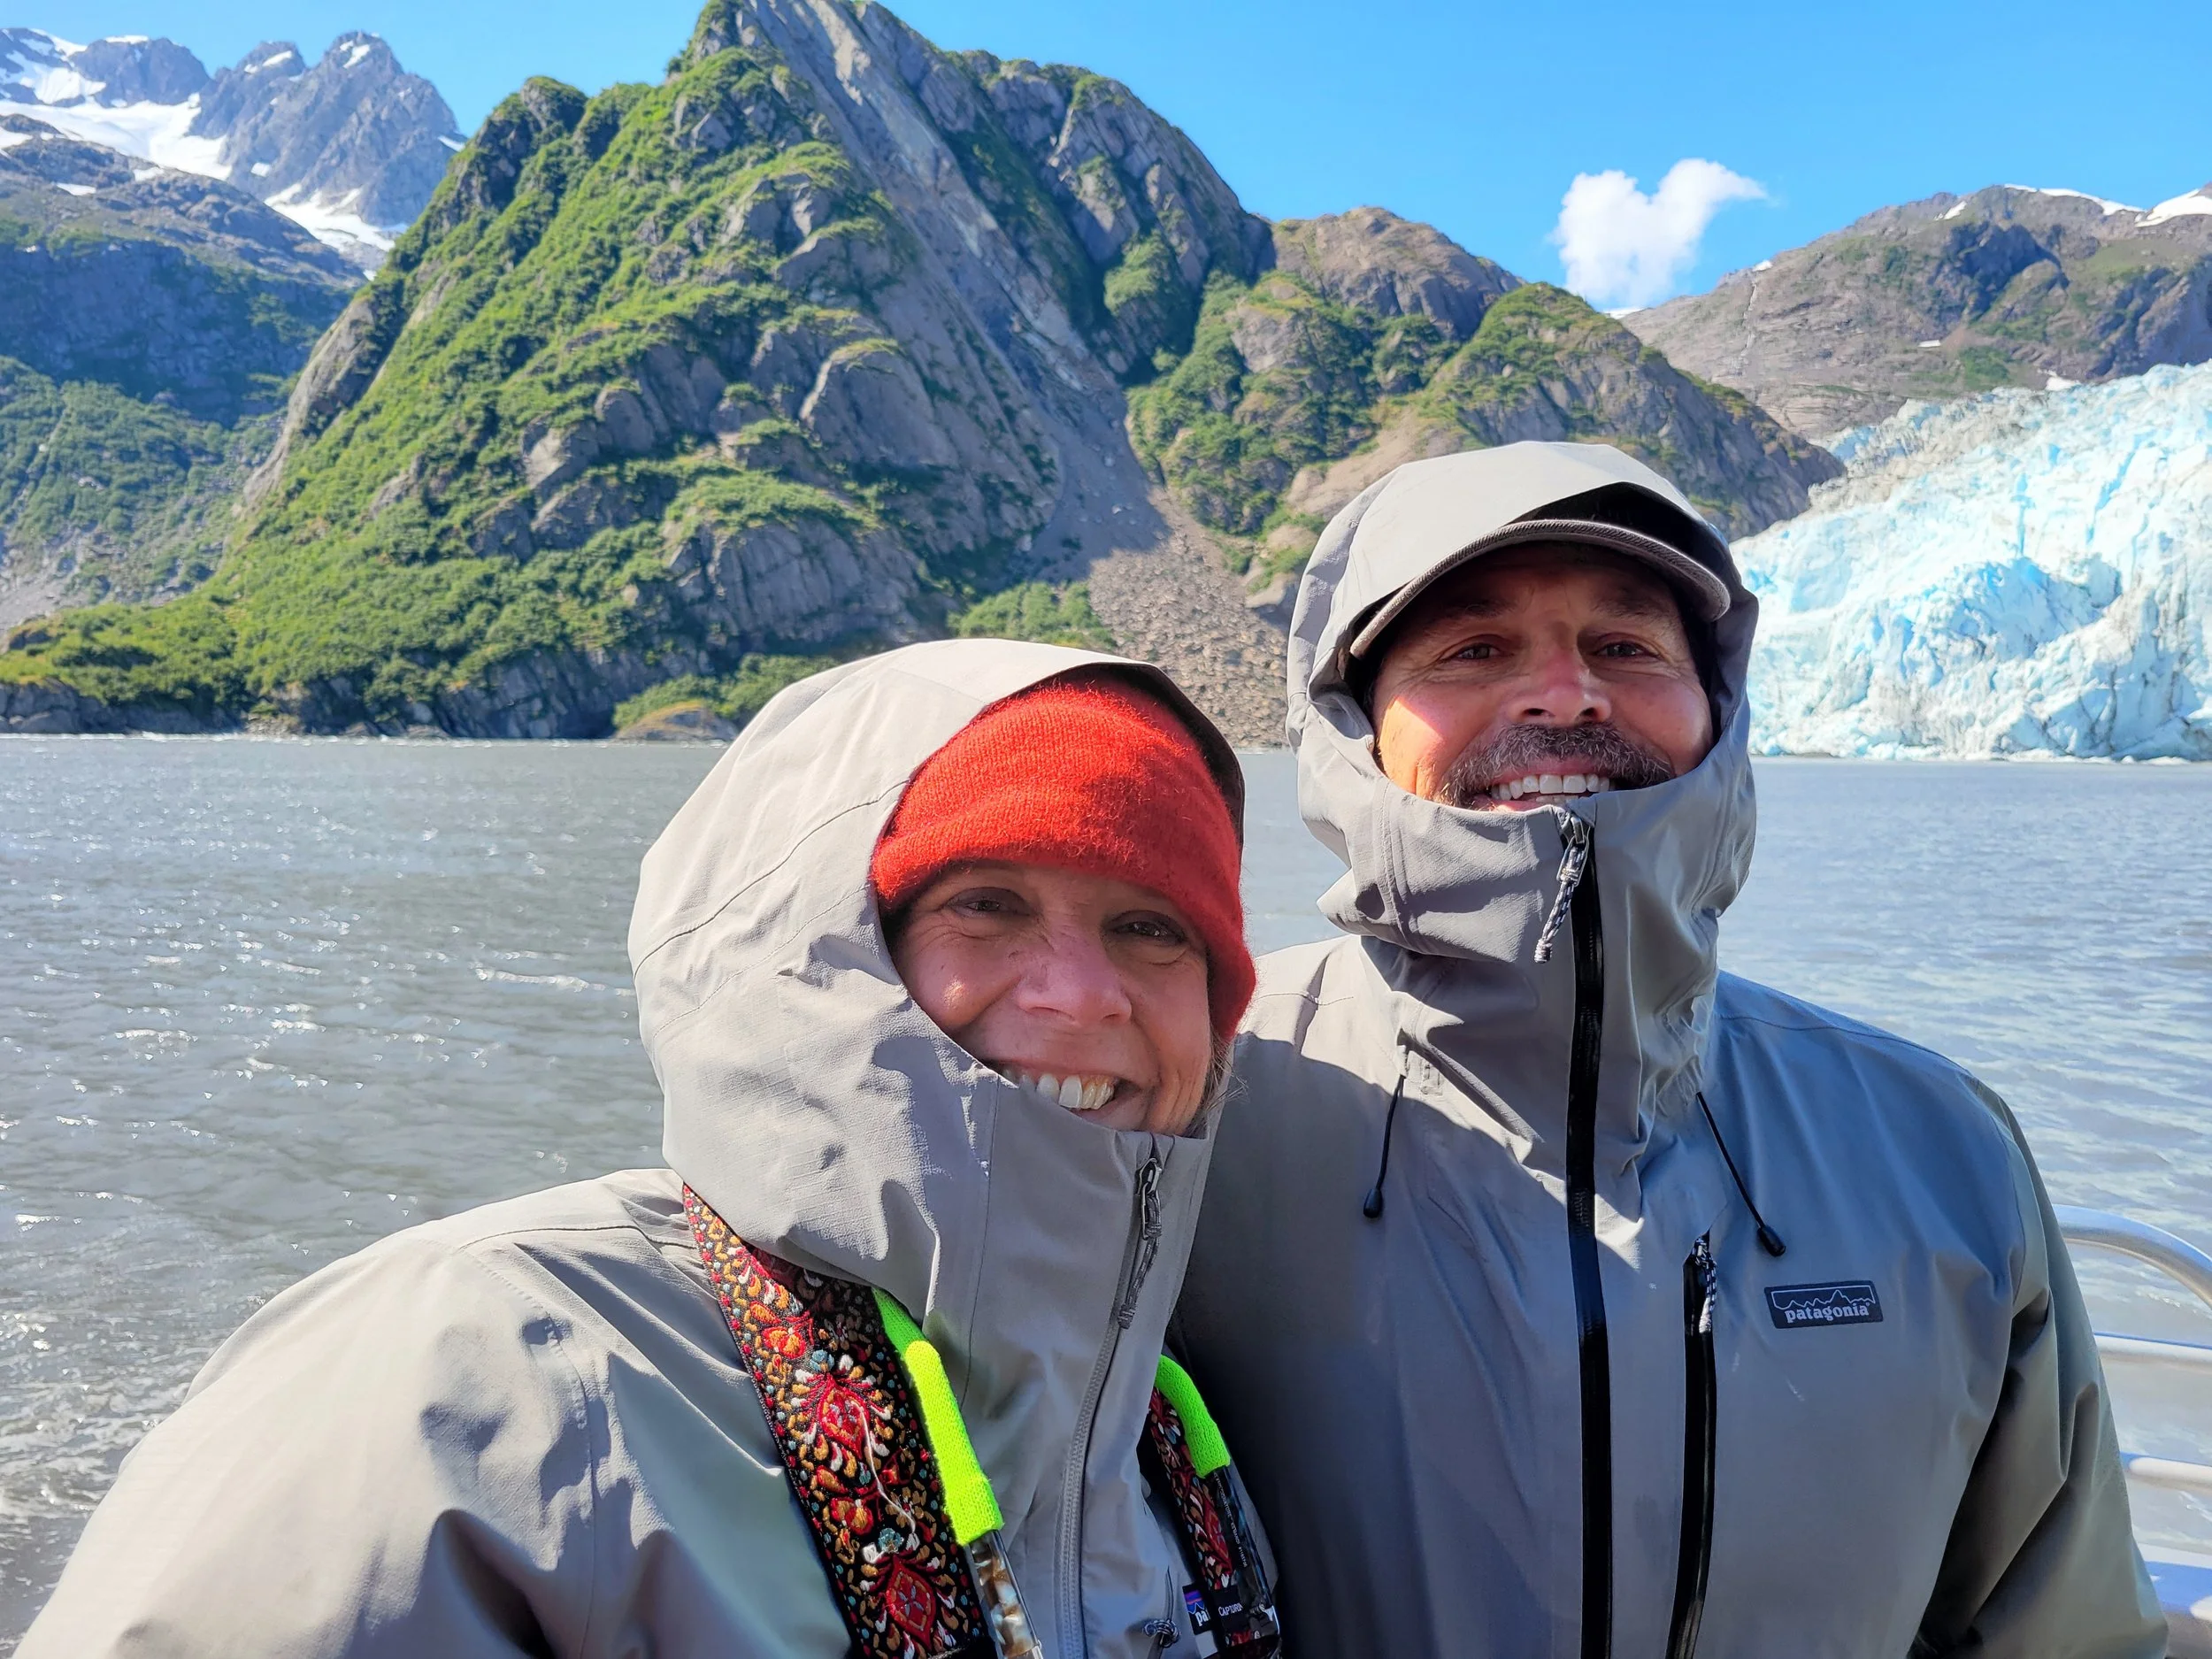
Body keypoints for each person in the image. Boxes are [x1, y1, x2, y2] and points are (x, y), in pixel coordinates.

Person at [24, 641, 1279, 1658]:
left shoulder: (1163, 1434)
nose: (1078, 990)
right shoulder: (474, 1385)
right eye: (984, 903)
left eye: (1150, 925)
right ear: (816, 954)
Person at [1172, 442, 2164, 1657]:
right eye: (1474, 649)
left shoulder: (1941, 1152)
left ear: (1717, 707)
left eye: (1627, 646)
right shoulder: (1185, 1110)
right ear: (1352, 722)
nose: (1565, 695)